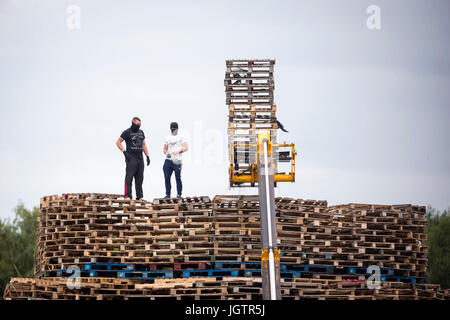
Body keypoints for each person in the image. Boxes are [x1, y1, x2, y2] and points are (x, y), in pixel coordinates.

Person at [116, 117, 150, 200]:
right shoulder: (127, 132)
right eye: (137, 124)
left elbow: (144, 144)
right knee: (129, 177)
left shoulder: (141, 132)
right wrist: (124, 153)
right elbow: (118, 142)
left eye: (140, 124)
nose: (139, 126)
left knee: (140, 178)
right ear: (133, 122)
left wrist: (147, 156)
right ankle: (127, 195)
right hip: (131, 158)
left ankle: (139, 196)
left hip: (140, 158)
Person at [163, 122, 188, 198]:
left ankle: (179, 194)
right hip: (168, 160)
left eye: (175, 129)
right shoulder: (167, 138)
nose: (174, 130)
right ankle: (167, 195)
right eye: (172, 128)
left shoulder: (181, 137)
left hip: (177, 161)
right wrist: (166, 153)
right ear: (170, 128)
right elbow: (165, 149)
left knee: (177, 178)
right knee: (167, 178)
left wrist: (178, 151)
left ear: (177, 129)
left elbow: (186, 147)